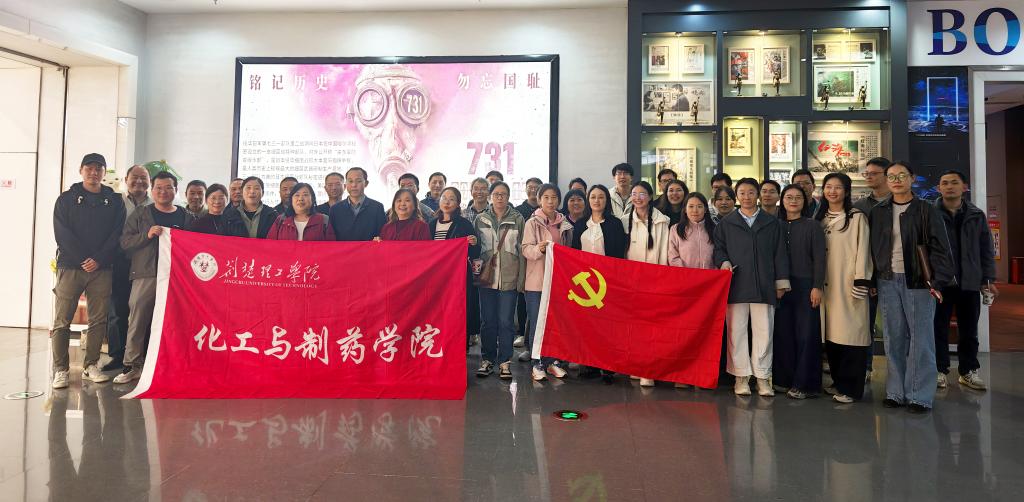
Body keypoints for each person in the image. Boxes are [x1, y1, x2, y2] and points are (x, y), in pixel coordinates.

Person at [869, 161, 953, 413]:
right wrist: (872, 280)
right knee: (893, 337)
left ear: (912, 179)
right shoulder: (879, 211)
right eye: (891, 176)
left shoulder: (926, 210)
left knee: (921, 338)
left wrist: (937, 281)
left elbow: (941, 247)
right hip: (887, 279)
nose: (896, 181)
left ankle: (919, 395)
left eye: (901, 176)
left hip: (918, 280)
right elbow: (873, 249)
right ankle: (895, 391)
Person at [51, 153, 126, 388]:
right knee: (62, 320)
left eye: (99, 169)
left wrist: (99, 259)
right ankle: (61, 369)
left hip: (102, 269)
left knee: (98, 320)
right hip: (70, 267)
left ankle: (90, 365)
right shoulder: (66, 199)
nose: (94, 173)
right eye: (89, 168)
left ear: (104, 172)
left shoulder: (114, 201)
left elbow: (117, 234)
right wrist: (83, 259)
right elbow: (62, 233)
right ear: (81, 170)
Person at [114, 171, 195, 384]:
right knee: (138, 319)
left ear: (176, 190)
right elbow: (125, 242)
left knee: (176, 320)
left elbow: (195, 246)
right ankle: (132, 365)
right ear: (152, 190)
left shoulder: (186, 216)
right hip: (146, 274)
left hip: (177, 277)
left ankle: (173, 363)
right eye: (159, 188)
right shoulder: (141, 214)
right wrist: (147, 235)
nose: (163, 192)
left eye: (168, 187)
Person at [713, 177, 790, 397]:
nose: (746, 197)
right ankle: (741, 377)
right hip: (736, 284)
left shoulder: (771, 222)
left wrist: (781, 282)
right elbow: (718, 249)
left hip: (765, 284)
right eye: (742, 193)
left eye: (751, 192)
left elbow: (780, 254)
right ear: (737, 196)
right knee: (736, 332)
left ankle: (763, 378)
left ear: (758, 195)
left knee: (764, 332)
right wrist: (723, 262)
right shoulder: (727, 223)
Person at [933, 170, 997, 391]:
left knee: (969, 329)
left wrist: (987, 279)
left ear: (964, 187)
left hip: (969, 281)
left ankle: (968, 371)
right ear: (938, 188)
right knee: (937, 328)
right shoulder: (930, 213)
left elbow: (986, 249)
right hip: (940, 282)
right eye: (944, 183)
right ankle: (939, 370)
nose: (949, 186)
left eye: (954, 182)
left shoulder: (976, 215)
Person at [814, 173, 872, 403]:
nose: (832, 191)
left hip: (848, 285)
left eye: (838, 187)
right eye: (828, 187)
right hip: (826, 286)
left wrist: (861, 280)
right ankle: (838, 382)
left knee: (852, 336)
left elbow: (864, 250)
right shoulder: (819, 218)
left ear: (846, 191)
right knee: (832, 336)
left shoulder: (856, 218)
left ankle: (851, 388)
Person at [772, 184, 826, 400]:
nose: (793, 201)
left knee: (806, 335)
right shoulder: (775, 225)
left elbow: (820, 258)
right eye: (789, 197)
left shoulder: (812, 226)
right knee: (783, 334)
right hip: (781, 287)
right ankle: (784, 379)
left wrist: (817, 286)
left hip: (806, 286)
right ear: (782, 200)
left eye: (798, 197)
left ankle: (805, 384)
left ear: (805, 201)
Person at [571, 184, 627, 382]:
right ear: (588, 200)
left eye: (601, 197)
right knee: (587, 325)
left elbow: (619, 254)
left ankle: (608, 366)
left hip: (607, 281)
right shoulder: (580, 224)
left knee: (607, 326)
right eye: (593, 197)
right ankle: (589, 364)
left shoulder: (615, 224)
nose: (597, 200)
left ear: (607, 200)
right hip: (586, 283)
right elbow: (574, 253)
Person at [522, 184, 574, 381]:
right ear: (539, 200)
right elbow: (525, 250)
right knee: (537, 323)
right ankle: (537, 363)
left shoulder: (565, 225)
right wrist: (539, 249)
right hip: (536, 282)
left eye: (554, 197)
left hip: (557, 282)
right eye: (546, 197)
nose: (550, 201)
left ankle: (552, 361)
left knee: (555, 323)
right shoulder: (532, 223)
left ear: (559, 200)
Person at [474, 182, 525, 380]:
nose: (500, 198)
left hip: (509, 279)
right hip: (487, 279)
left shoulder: (517, 219)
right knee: (488, 321)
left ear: (509, 196)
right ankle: (487, 360)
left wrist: (521, 280)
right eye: (496, 194)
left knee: (506, 322)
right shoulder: (481, 219)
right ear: (490, 196)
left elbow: (522, 251)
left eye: (503, 194)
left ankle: (505, 361)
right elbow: (476, 250)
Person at [622, 181, 670, 387]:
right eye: (634, 194)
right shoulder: (624, 221)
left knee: (652, 327)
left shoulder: (662, 221)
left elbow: (665, 254)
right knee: (634, 327)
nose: (638, 197)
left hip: (655, 282)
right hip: (631, 283)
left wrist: (662, 281)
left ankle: (649, 369)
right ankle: (636, 365)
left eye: (642, 194)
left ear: (650, 197)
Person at [667, 192, 718, 389]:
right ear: (685, 209)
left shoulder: (715, 229)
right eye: (691, 206)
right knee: (684, 334)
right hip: (685, 289)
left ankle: (702, 376)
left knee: (705, 334)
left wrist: (711, 277)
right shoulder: (676, 229)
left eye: (699, 206)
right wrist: (688, 278)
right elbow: (673, 257)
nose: (695, 210)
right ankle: (682, 375)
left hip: (708, 291)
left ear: (705, 208)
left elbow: (719, 255)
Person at [104, 164, 151, 372]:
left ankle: (143, 355)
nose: (139, 181)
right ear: (126, 179)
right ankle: (117, 355)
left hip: (146, 264)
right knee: (117, 310)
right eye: (135, 177)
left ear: (149, 182)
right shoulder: (116, 202)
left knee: (144, 311)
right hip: (119, 262)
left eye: (143, 178)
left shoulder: (155, 204)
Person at [853, 157, 891, 380]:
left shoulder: (900, 203)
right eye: (866, 173)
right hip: (867, 275)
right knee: (864, 324)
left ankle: (899, 371)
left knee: (896, 326)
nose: (869, 177)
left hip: (894, 274)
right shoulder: (860, 207)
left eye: (873, 173)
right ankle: (865, 367)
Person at [430, 187, 481, 350]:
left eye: (451, 199)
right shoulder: (431, 224)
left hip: (457, 277)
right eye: (444, 198)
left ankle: (459, 349)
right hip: (435, 278)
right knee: (437, 313)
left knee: (458, 311)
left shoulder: (464, 224)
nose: (447, 201)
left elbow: (474, 253)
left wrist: (474, 243)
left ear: (458, 203)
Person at [330, 167, 387, 241]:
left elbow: (383, 235)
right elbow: (331, 238)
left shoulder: (377, 207)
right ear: (346, 184)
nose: (354, 185)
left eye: (358, 181)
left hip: (369, 248)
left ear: (366, 183)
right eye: (350, 181)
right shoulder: (335, 209)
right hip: (343, 249)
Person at [267, 182, 335, 241]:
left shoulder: (323, 220)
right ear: (291, 199)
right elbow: (270, 245)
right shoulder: (281, 220)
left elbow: (331, 247)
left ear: (312, 199)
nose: (300, 199)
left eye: (305, 195)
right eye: (297, 195)